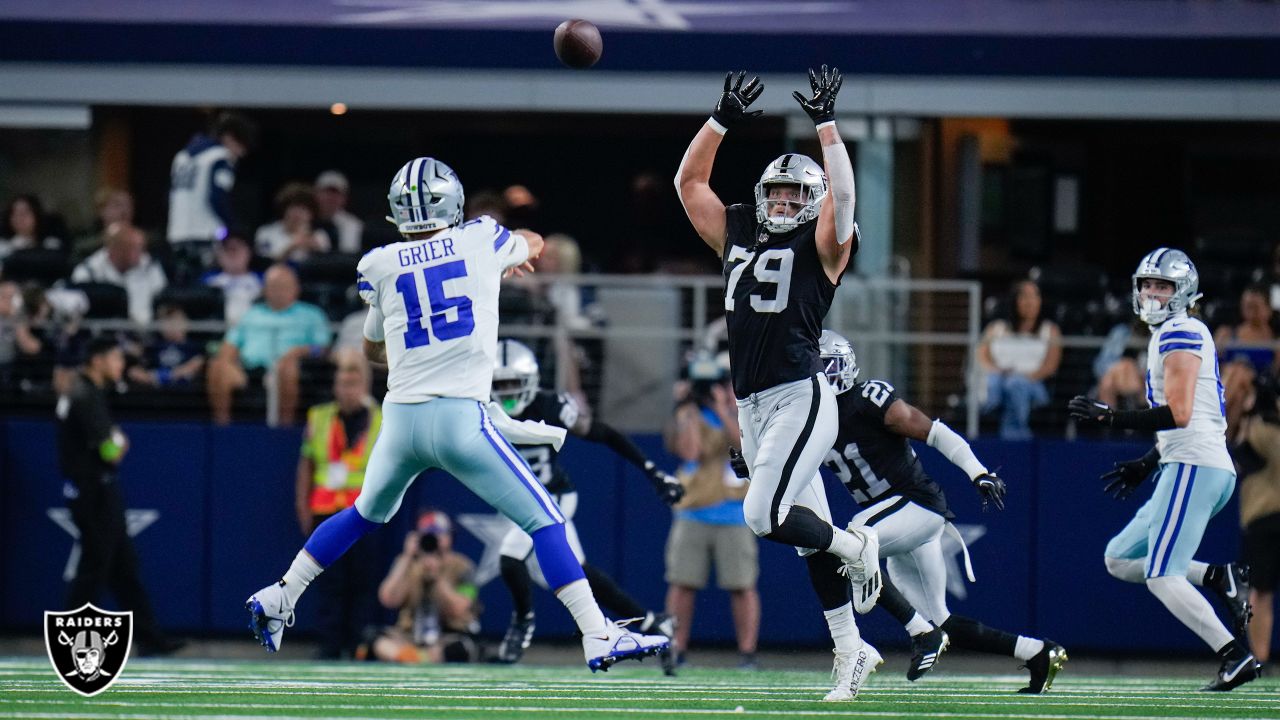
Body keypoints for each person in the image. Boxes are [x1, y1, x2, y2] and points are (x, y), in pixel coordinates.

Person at [245, 156, 668, 672]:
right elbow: (532, 241)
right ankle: (597, 634)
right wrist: (517, 253)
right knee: (547, 521)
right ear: (455, 201)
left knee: (363, 514)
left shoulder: (379, 264)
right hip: (459, 418)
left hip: (400, 420)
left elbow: (373, 350)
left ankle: (282, 594)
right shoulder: (482, 238)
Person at [674, 66, 882, 697]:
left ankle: (855, 544)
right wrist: (718, 121)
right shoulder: (739, 229)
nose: (785, 201)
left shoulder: (826, 244)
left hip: (801, 394)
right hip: (753, 402)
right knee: (802, 535)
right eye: (779, 192)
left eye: (797, 194)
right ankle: (851, 650)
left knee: (763, 515)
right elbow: (690, 183)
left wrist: (827, 127)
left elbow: (842, 201)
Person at [808, 330, 1065, 693]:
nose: (820, 375)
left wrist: (979, 472)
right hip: (893, 523)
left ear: (846, 365)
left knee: (852, 543)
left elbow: (936, 432)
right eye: (814, 367)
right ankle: (1039, 652)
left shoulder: (869, 399)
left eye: (826, 366)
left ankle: (921, 634)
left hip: (916, 506)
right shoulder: (813, 413)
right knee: (942, 621)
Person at [1069, 247, 1257, 691]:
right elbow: (1197, 414)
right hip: (1185, 463)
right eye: (1146, 284)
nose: (1152, 293)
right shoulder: (1176, 332)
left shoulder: (1180, 331)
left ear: (1183, 291)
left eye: (1163, 285)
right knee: (1119, 558)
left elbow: (1180, 412)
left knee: (1161, 574)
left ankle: (1236, 655)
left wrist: (1110, 417)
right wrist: (1148, 462)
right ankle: (1216, 575)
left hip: (1195, 466)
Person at [489, 339, 684, 671]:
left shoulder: (551, 406)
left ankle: (522, 623)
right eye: (499, 385)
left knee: (510, 558)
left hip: (554, 496)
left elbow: (603, 433)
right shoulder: (478, 408)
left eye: (513, 384)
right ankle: (655, 623)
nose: (507, 393)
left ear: (531, 382)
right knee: (581, 574)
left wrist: (651, 470)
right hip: (523, 499)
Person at [56, 336, 183, 656]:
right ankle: (72, 639)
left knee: (124, 566)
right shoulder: (85, 394)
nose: (120, 365)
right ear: (97, 359)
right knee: (94, 566)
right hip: (93, 490)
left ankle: (149, 638)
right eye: (115, 358)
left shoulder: (85, 391)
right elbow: (110, 450)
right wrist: (120, 443)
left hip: (98, 489)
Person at [663, 353, 760, 670]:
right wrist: (687, 407)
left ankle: (747, 653)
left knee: (742, 585)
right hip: (693, 512)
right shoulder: (685, 414)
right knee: (682, 584)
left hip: (733, 512)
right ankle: (677, 650)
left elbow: (743, 446)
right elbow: (690, 451)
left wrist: (722, 406)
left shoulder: (739, 414)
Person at [296, 349, 382, 658]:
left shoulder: (381, 420)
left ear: (364, 386)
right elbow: (305, 465)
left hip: (364, 512)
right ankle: (329, 646)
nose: (348, 390)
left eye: (354, 383)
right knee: (328, 580)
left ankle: (356, 644)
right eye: (343, 383)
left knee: (362, 580)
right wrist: (303, 507)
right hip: (326, 511)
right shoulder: (318, 418)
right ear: (335, 386)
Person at [205, 263, 331, 426]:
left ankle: (283, 430)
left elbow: (322, 348)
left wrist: (297, 352)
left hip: (288, 369)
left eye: (283, 287)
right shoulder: (251, 314)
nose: (278, 292)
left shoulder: (312, 314)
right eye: (273, 287)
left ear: (296, 289)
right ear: (264, 290)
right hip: (249, 371)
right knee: (218, 367)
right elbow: (230, 344)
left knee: (287, 368)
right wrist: (227, 361)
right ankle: (222, 430)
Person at [366, 510, 479, 664]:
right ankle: (412, 657)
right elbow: (388, 599)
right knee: (374, 638)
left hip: (446, 637)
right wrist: (407, 557)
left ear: (450, 538)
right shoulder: (407, 563)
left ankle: (417, 659)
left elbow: (460, 608)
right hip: (409, 637)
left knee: (459, 649)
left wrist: (438, 577)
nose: (434, 540)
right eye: (428, 534)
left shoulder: (463, 566)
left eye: (440, 534)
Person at [167, 112, 256, 283]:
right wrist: (232, 228)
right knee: (205, 289)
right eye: (240, 146)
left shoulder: (182, 157)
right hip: (205, 236)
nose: (241, 154)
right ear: (229, 137)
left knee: (183, 286)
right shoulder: (220, 157)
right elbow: (217, 197)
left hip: (177, 235)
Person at [1233, 373, 1280, 669]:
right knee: (1259, 592)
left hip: (1265, 516)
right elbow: (1237, 451)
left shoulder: (1263, 431)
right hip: (1262, 517)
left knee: (1259, 593)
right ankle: (1259, 658)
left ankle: (1259, 658)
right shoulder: (1256, 429)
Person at [978, 280, 1062, 440]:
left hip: (1033, 384)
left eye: (1034, 296)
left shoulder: (1050, 330)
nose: (1030, 302)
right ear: (1014, 300)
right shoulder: (996, 328)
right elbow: (982, 356)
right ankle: (991, 415)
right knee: (996, 382)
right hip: (999, 379)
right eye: (1024, 296)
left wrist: (1021, 378)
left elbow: (1050, 366)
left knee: (1015, 384)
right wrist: (998, 372)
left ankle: (1014, 438)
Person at [70, 222, 168, 326]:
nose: (141, 254)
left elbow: (163, 299)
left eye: (142, 248)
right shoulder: (89, 271)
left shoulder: (150, 266)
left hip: (146, 332)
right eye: (133, 248)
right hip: (103, 333)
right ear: (116, 249)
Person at [1214, 285, 1279, 439]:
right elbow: (1210, 365)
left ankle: (1213, 416)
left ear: (1268, 310)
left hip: (1256, 391)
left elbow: (1274, 378)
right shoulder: (1227, 334)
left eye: (1255, 307)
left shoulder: (1274, 344)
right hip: (1230, 388)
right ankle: (1225, 442)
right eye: (1247, 306)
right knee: (1238, 394)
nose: (1251, 311)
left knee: (1240, 372)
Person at [125, 304, 205, 388]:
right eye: (167, 322)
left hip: (183, 387)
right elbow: (142, 360)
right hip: (155, 386)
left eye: (176, 322)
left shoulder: (192, 346)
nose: (172, 327)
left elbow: (196, 364)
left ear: (186, 324)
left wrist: (167, 376)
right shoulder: (155, 345)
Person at [254, 183, 332, 263]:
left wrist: (316, 249)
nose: (298, 213)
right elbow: (264, 265)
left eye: (304, 209)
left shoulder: (320, 236)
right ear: (284, 209)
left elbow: (327, 266)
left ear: (311, 214)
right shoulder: (266, 232)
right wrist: (292, 247)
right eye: (294, 207)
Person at [201, 229, 263, 326]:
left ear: (249, 252)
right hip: (218, 330)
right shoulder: (208, 281)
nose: (232, 253)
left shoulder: (264, 280)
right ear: (219, 255)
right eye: (227, 249)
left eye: (237, 249)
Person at [0, 194, 62, 261]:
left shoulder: (51, 245)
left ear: (37, 215)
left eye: (25, 213)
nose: (19, 218)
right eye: (14, 213)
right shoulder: (3, 247)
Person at [315, 170, 364, 254]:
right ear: (316, 194)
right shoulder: (305, 221)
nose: (330, 198)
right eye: (326, 193)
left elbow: (349, 253)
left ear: (344, 198)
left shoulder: (354, 224)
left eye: (335, 193)